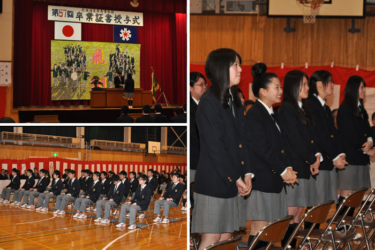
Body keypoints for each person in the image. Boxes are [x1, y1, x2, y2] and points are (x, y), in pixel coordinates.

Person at [191, 48, 252, 250]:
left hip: (234, 180)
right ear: (220, 69)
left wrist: (248, 174)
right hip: (214, 182)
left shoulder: (233, 100)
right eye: (235, 64)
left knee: (227, 236)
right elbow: (216, 148)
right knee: (212, 239)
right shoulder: (208, 103)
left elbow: (243, 141)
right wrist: (236, 178)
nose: (240, 69)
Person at [245, 63, 298, 248]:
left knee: (270, 230)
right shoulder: (254, 114)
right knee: (260, 228)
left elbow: (281, 146)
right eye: (276, 87)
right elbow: (261, 148)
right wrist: (283, 170)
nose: (280, 91)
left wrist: (288, 167)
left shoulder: (272, 113)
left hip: (273, 179)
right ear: (262, 91)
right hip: (262, 180)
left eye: (281, 87)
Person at [278, 70, 322, 247]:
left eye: (307, 84)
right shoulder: (287, 109)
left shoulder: (303, 108)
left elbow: (312, 136)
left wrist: (317, 155)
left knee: (298, 212)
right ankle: (286, 245)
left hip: (305, 165)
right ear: (293, 86)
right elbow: (295, 140)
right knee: (291, 212)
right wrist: (311, 158)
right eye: (303, 84)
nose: (307, 87)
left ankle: (292, 246)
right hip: (295, 165)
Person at [306, 71, 347, 209]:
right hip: (320, 162)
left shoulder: (325, 107)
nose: (332, 85)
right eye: (329, 81)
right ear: (318, 84)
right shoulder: (310, 104)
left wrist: (340, 154)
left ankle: (318, 231)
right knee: (317, 205)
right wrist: (335, 156)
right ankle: (311, 231)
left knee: (325, 204)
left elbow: (333, 134)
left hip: (328, 161)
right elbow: (318, 135)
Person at [337, 75, 373, 212]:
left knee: (356, 197)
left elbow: (367, 129)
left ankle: (349, 231)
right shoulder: (345, 108)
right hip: (350, 159)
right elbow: (350, 135)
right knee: (347, 196)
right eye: (362, 87)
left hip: (360, 159)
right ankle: (341, 230)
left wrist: (370, 141)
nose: (364, 90)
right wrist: (367, 150)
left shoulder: (361, 109)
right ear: (353, 89)